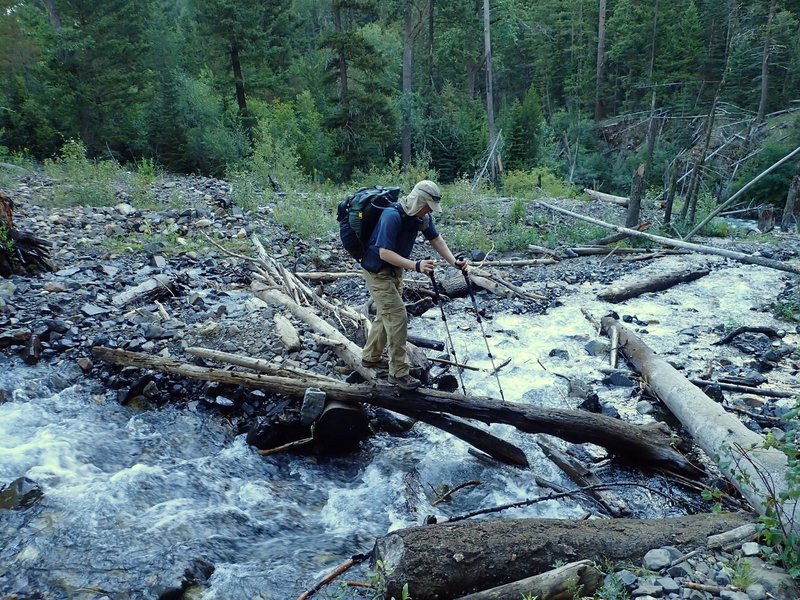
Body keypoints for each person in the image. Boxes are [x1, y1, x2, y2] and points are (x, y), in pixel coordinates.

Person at [360, 180, 467, 390]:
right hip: (377, 271)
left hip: (395, 270)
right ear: (418, 200)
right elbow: (384, 252)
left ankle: (370, 357)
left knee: (386, 314)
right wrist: (416, 265)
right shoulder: (392, 215)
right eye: (427, 205)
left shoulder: (422, 218)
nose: (429, 211)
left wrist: (454, 262)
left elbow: (436, 240)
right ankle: (398, 372)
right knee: (398, 315)